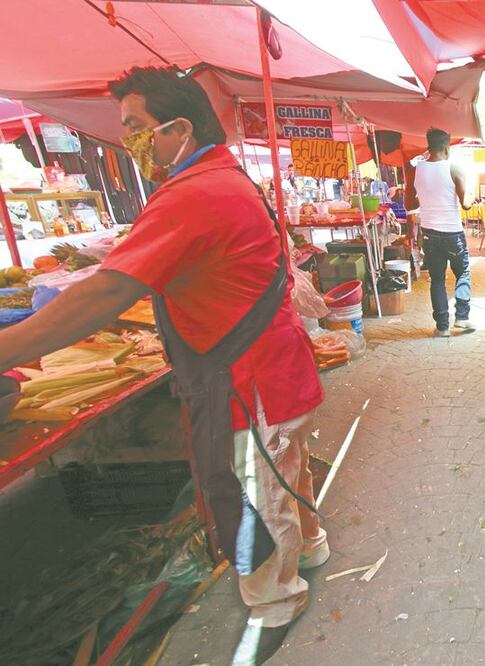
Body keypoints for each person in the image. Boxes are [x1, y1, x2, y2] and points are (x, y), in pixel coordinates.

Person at [0, 67, 327, 666]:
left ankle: (276, 603)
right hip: (271, 366)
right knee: (285, 471)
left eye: (136, 126)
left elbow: (106, 293)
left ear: (179, 129)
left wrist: (7, 349)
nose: (128, 139)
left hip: (249, 378)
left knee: (256, 497)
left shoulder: (194, 193)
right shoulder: (222, 176)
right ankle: (310, 550)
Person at [411, 127, 473, 337]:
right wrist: (471, 196)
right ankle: (462, 318)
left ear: (429, 147)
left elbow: (410, 203)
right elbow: (466, 204)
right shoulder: (454, 169)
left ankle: (442, 327)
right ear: (447, 148)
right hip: (452, 233)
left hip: (429, 233)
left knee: (437, 279)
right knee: (462, 273)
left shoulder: (417, 170)